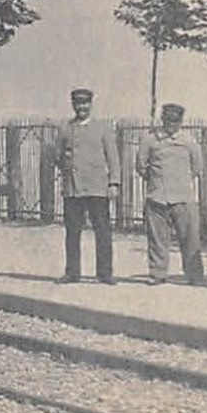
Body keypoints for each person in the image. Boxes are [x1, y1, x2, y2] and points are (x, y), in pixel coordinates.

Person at [54, 87, 120, 284]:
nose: (81, 107)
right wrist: (67, 167)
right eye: (77, 103)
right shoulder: (65, 129)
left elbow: (113, 158)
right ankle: (72, 272)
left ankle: (105, 273)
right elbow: (58, 156)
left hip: (97, 189)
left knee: (103, 231)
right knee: (72, 232)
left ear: (90, 104)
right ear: (73, 104)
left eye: (84, 103)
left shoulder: (103, 129)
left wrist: (114, 183)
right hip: (73, 189)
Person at [137, 103, 204, 285]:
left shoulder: (189, 141)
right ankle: (158, 273)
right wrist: (155, 182)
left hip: (183, 198)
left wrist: (181, 182)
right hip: (157, 196)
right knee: (157, 238)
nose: (171, 126)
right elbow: (141, 166)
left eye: (175, 122)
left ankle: (194, 275)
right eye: (168, 121)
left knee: (190, 239)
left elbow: (197, 167)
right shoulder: (149, 140)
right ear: (162, 120)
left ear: (180, 121)